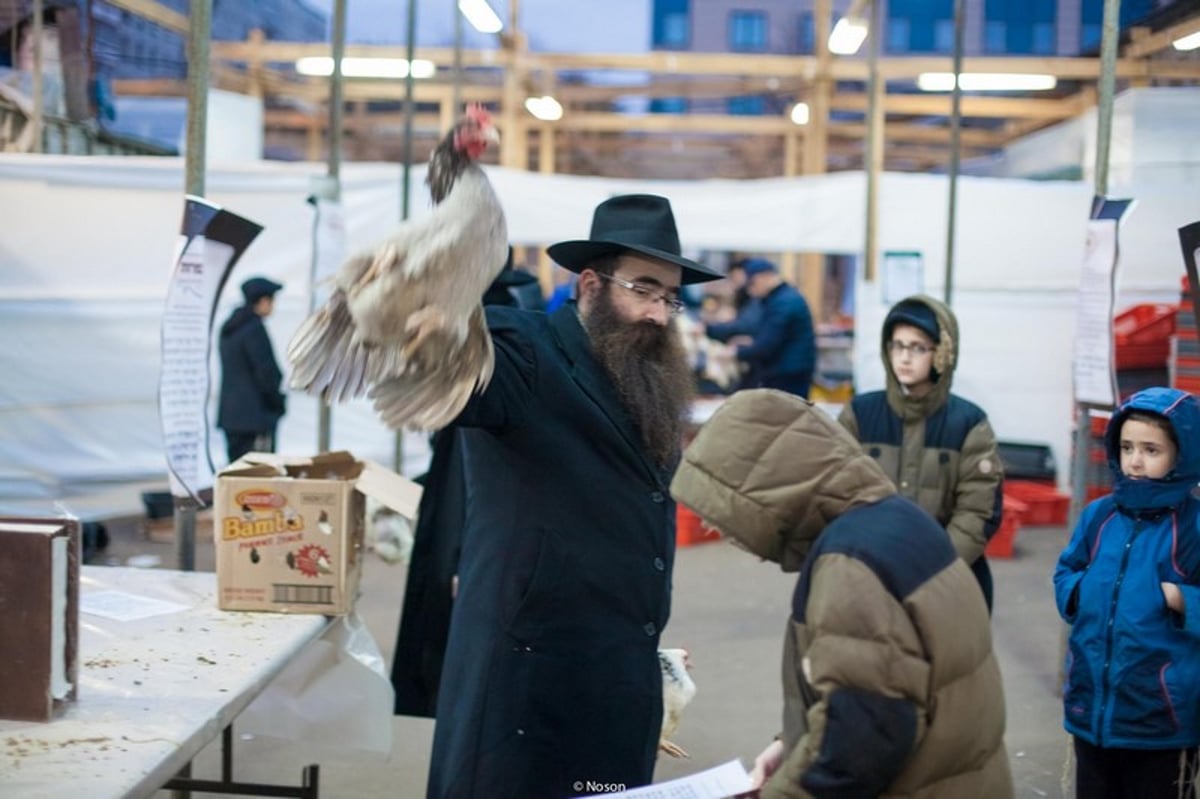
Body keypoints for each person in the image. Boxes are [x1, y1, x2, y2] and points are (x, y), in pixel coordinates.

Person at [416, 194, 722, 798]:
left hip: (616, 675)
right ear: (590, 283)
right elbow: (458, 367)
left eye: (669, 295)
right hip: (525, 688)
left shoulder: (646, 378)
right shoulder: (524, 351)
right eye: (643, 288)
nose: (659, 313)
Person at [670, 388, 1011, 798]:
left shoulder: (850, 567)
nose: (719, 531)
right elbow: (871, 692)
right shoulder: (895, 518)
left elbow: (859, 743)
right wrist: (792, 742)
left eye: (723, 512)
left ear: (767, 488)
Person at [391, 247, 543, 718]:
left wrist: (462, 551)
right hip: (463, 478)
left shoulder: (493, 324)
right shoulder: (503, 317)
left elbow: (479, 451)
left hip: (472, 487)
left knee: (455, 608)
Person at [1054, 387, 1200, 799]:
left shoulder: (1192, 527)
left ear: (1182, 455)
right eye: (1126, 447)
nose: (1134, 460)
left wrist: (1180, 599)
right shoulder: (1099, 516)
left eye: (1151, 450)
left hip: (1160, 718)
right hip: (1092, 707)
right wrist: (1078, 593)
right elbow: (1067, 569)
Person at [837, 294, 1003, 612]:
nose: (904, 357)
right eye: (897, 345)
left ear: (942, 354)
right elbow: (836, 495)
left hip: (946, 580)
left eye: (917, 347)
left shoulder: (969, 424)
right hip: (869, 575)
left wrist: (930, 569)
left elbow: (977, 514)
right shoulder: (859, 415)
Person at [717, 258, 815, 398]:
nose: (750, 291)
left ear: (764, 277)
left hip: (787, 376)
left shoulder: (784, 302)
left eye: (752, 283)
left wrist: (735, 352)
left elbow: (767, 345)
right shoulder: (782, 298)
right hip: (788, 372)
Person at [216, 276, 286, 463]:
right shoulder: (254, 329)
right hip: (256, 418)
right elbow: (266, 372)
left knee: (236, 474)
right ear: (263, 301)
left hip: (232, 416)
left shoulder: (229, 328)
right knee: (258, 479)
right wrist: (277, 403)